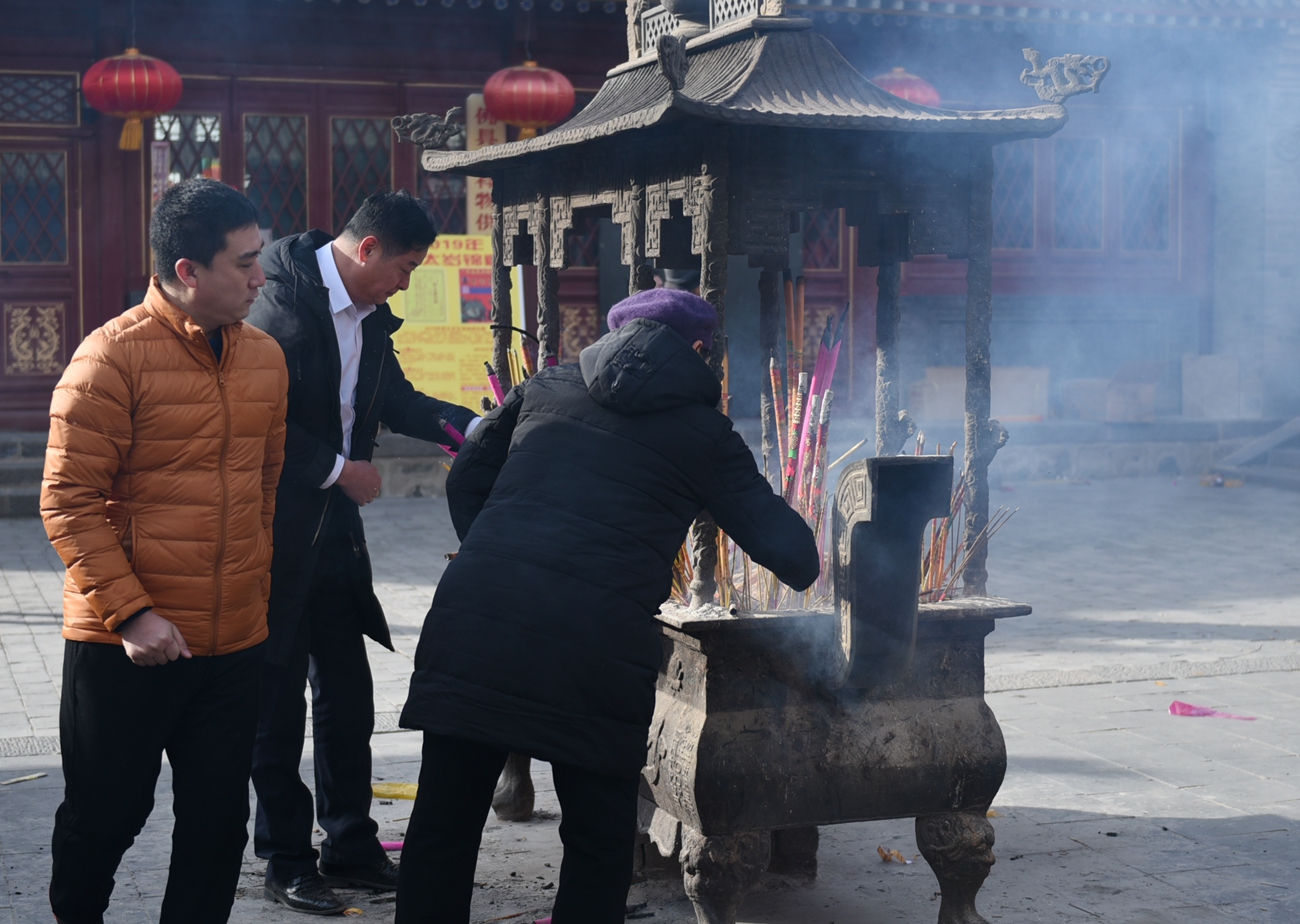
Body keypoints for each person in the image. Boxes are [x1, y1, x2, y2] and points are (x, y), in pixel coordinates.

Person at [396, 288, 821, 923]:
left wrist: (498, 551)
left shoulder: (545, 387)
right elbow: (793, 556)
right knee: (596, 844)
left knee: (442, 829)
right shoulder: (705, 433)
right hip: (592, 652)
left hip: (477, 623)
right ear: (701, 351)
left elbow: (466, 477)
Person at [41, 178, 288, 924]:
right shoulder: (109, 359)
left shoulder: (266, 359)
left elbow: (263, 488)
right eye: (244, 263)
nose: (260, 277)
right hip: (128, 645)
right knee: (105, 819)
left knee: (217, 828)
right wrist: (133, 614)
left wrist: (255, 599)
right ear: (188, 271)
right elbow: (67, 502)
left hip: (232, 644)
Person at [247, 190, 480, 914]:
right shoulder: (283, 306)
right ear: (369, 249)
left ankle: (349, 839)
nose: (408, 283)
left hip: (335, 537)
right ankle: (285, 857)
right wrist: (339, 470)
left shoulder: (370, 316)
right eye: (407, 267)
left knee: (348, 695)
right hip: (274, 533)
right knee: (276, 704)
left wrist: (475, 428)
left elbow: (393, 400)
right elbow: (261, 420)